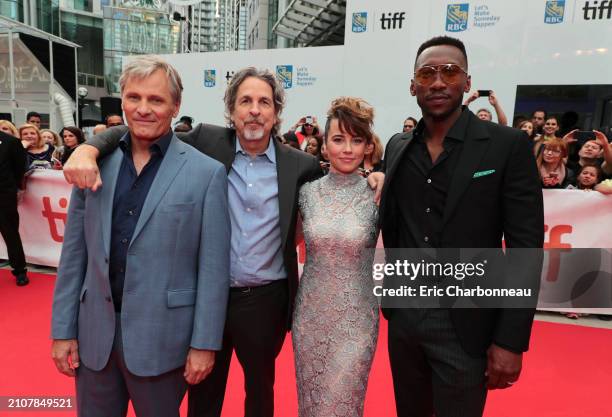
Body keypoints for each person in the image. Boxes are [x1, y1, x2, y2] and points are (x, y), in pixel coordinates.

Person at [50, 56, 231, 417]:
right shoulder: (94, 164)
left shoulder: (206, 174)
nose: (143, 109)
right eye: (134, 98)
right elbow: (74, 256)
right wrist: (62, 329)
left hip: (164, 340)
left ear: (176, 106)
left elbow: (213, 269)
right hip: (94, 338)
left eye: (156, 100)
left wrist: (205, 344)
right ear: (122, 101)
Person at [379, 36, 544, 417]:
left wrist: (510, 340)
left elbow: (525, 249)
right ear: (413, 85)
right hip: (404, 318)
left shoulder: (507, 146)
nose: (438, 82)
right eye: (427, 73)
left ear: (467, 82)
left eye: (450, 72)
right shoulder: (398, 147)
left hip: (466, 324)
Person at [293, 97, 379, 417]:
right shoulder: (306, 193)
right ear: (324, 145)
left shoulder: (377, 193)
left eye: (356, 140)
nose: (347, 149)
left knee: (345, 405)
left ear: (368, 146)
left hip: (357, 321)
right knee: (311, 404)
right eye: (338, 139)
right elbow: (287, 243)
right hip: (310, 317)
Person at [0, 127, 29, 286]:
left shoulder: (10, 141)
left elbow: (19, 169)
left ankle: (20, 270)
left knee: (10, 233)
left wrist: (14, 188)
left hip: (3, 195)